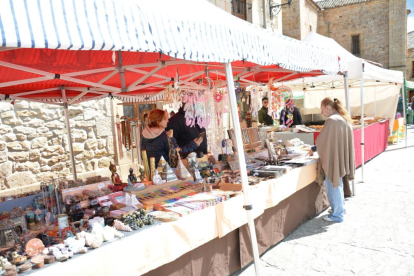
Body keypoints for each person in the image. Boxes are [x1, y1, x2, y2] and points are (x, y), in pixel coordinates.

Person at [309, 98, 355, 223]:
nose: (321, 111)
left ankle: (337, 215)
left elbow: (322, 141)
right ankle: (340, 209)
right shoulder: (343, 118)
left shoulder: (332, 120)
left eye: (322, 108)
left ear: (328, 108)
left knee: (333, 185)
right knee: (337, 183)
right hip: (339, 156)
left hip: (333, 158)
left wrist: (314, 148)